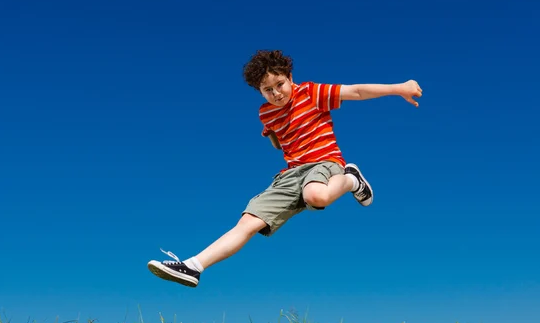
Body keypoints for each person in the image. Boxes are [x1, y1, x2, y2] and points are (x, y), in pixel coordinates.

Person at [147, 50, 422, 287]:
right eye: (268, 90)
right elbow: (279, 144)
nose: (276, 93)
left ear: (290, 78)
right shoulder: (265, 113)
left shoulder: (311, 93)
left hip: (324, 163)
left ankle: (351, 179)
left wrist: (400, 87)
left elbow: (356, 91)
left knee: (316, 196)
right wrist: (272, 137)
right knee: (247, 223)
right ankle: (193, 266)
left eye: (280, 84)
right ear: (259, 91)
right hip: (290, 175)